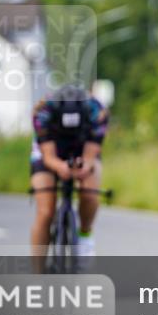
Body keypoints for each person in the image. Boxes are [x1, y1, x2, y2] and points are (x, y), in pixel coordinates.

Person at [29, 84, 109, 263]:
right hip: (50, 149)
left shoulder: (97, 110)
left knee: (90, 193)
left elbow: (91, 155)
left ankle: (85, 236)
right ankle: (37, 273)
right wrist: (59, 167)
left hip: (82, 146)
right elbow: (48, 157)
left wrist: (86, 165)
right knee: (45, 211)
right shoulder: (43, 111)